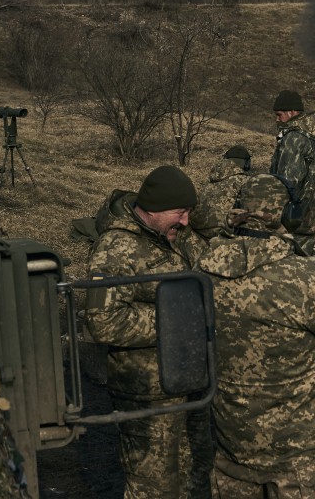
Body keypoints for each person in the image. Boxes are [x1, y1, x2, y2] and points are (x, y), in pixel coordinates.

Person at [195, 173, 315, 498]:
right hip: (297, 455)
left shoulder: (202, 273)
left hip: (232, 442)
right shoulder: (302, 279)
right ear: (285, 216)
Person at [83, 165, 211, 499]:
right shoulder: (115, 250)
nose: (185, 221)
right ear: (152, 210)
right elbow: (103, 320)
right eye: (179, 213)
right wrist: (176, 321)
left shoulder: (180, 237)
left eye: (188, 213)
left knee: (195, 478)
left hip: (193, 384)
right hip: (147, 391)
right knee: (153, 487)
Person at [270, 89, 315, 265]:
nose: (277, 119)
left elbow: (286, 183)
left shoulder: (294, 139)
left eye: (279, 114)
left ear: (292, 113)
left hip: (300, 225)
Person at [190, 145, 254, 239]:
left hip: (198, 237)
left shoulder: (209, 183)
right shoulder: (248, 183)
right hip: (225, 241)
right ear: (247, 164)